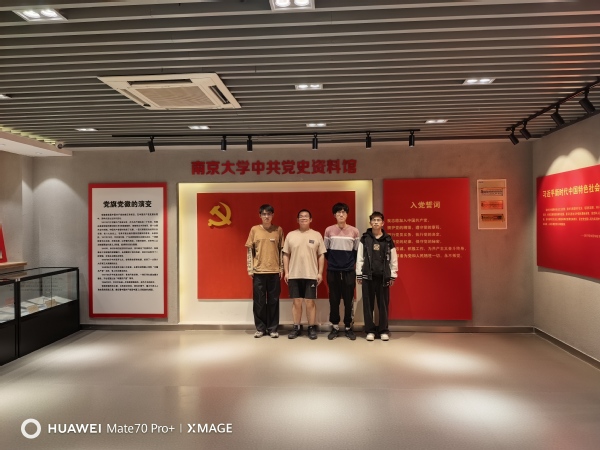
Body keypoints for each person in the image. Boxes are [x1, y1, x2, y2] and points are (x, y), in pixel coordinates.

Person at [283, 209, 326, 340]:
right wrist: (287, 272)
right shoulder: (291, 235)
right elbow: (285, 254)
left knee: (309, 302)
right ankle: (296, 327)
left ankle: (311, 327)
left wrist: (320, 273)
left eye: (306, 216)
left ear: (310, 219)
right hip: (294, 274)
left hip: (311, 274)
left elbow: (321, 255)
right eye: (301, 216)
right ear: (297, 220)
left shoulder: (316, 235)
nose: (303, 218)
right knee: (296, 301)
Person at [356, 211, 398, 341]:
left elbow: (393, 259)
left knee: (383, 305)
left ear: (383, 223)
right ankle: (370, 330)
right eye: (373, 220)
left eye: (378, 220)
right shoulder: (365, 239)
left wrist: (392, 275)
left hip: (383, 277)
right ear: (370, 223)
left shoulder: (388, 240)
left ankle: (383, 330)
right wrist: (359, 274)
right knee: (368, 305)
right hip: (368, 276)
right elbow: (360, 257)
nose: (376, 222)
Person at [246, 204, 284, 338]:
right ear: (260, 215)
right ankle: (260, 328)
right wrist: (250, 268)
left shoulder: (278, 230)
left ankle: (273, 329)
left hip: (274, 271)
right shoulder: (254, 230)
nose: (266, 216)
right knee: (259, 302)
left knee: (274, 301)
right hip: (258, 272)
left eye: (269, 214)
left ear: (273, 215)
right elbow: (249, 250)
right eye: (264, 214)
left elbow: (282, 251)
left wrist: (281, 268)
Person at [324, 202, 360, 340]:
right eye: (338, 212)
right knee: (333, 299)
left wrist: (348, 264)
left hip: (348, 271)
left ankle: (348, 327)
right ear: (334, 215)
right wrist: (335, 262)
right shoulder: (329, 230)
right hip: (333, 270)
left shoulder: (354, 231)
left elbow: (356, 251)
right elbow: (326, 251)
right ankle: (334, 326)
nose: (341, 214)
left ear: (347, 214)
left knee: (348, 300)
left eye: (344, 212)